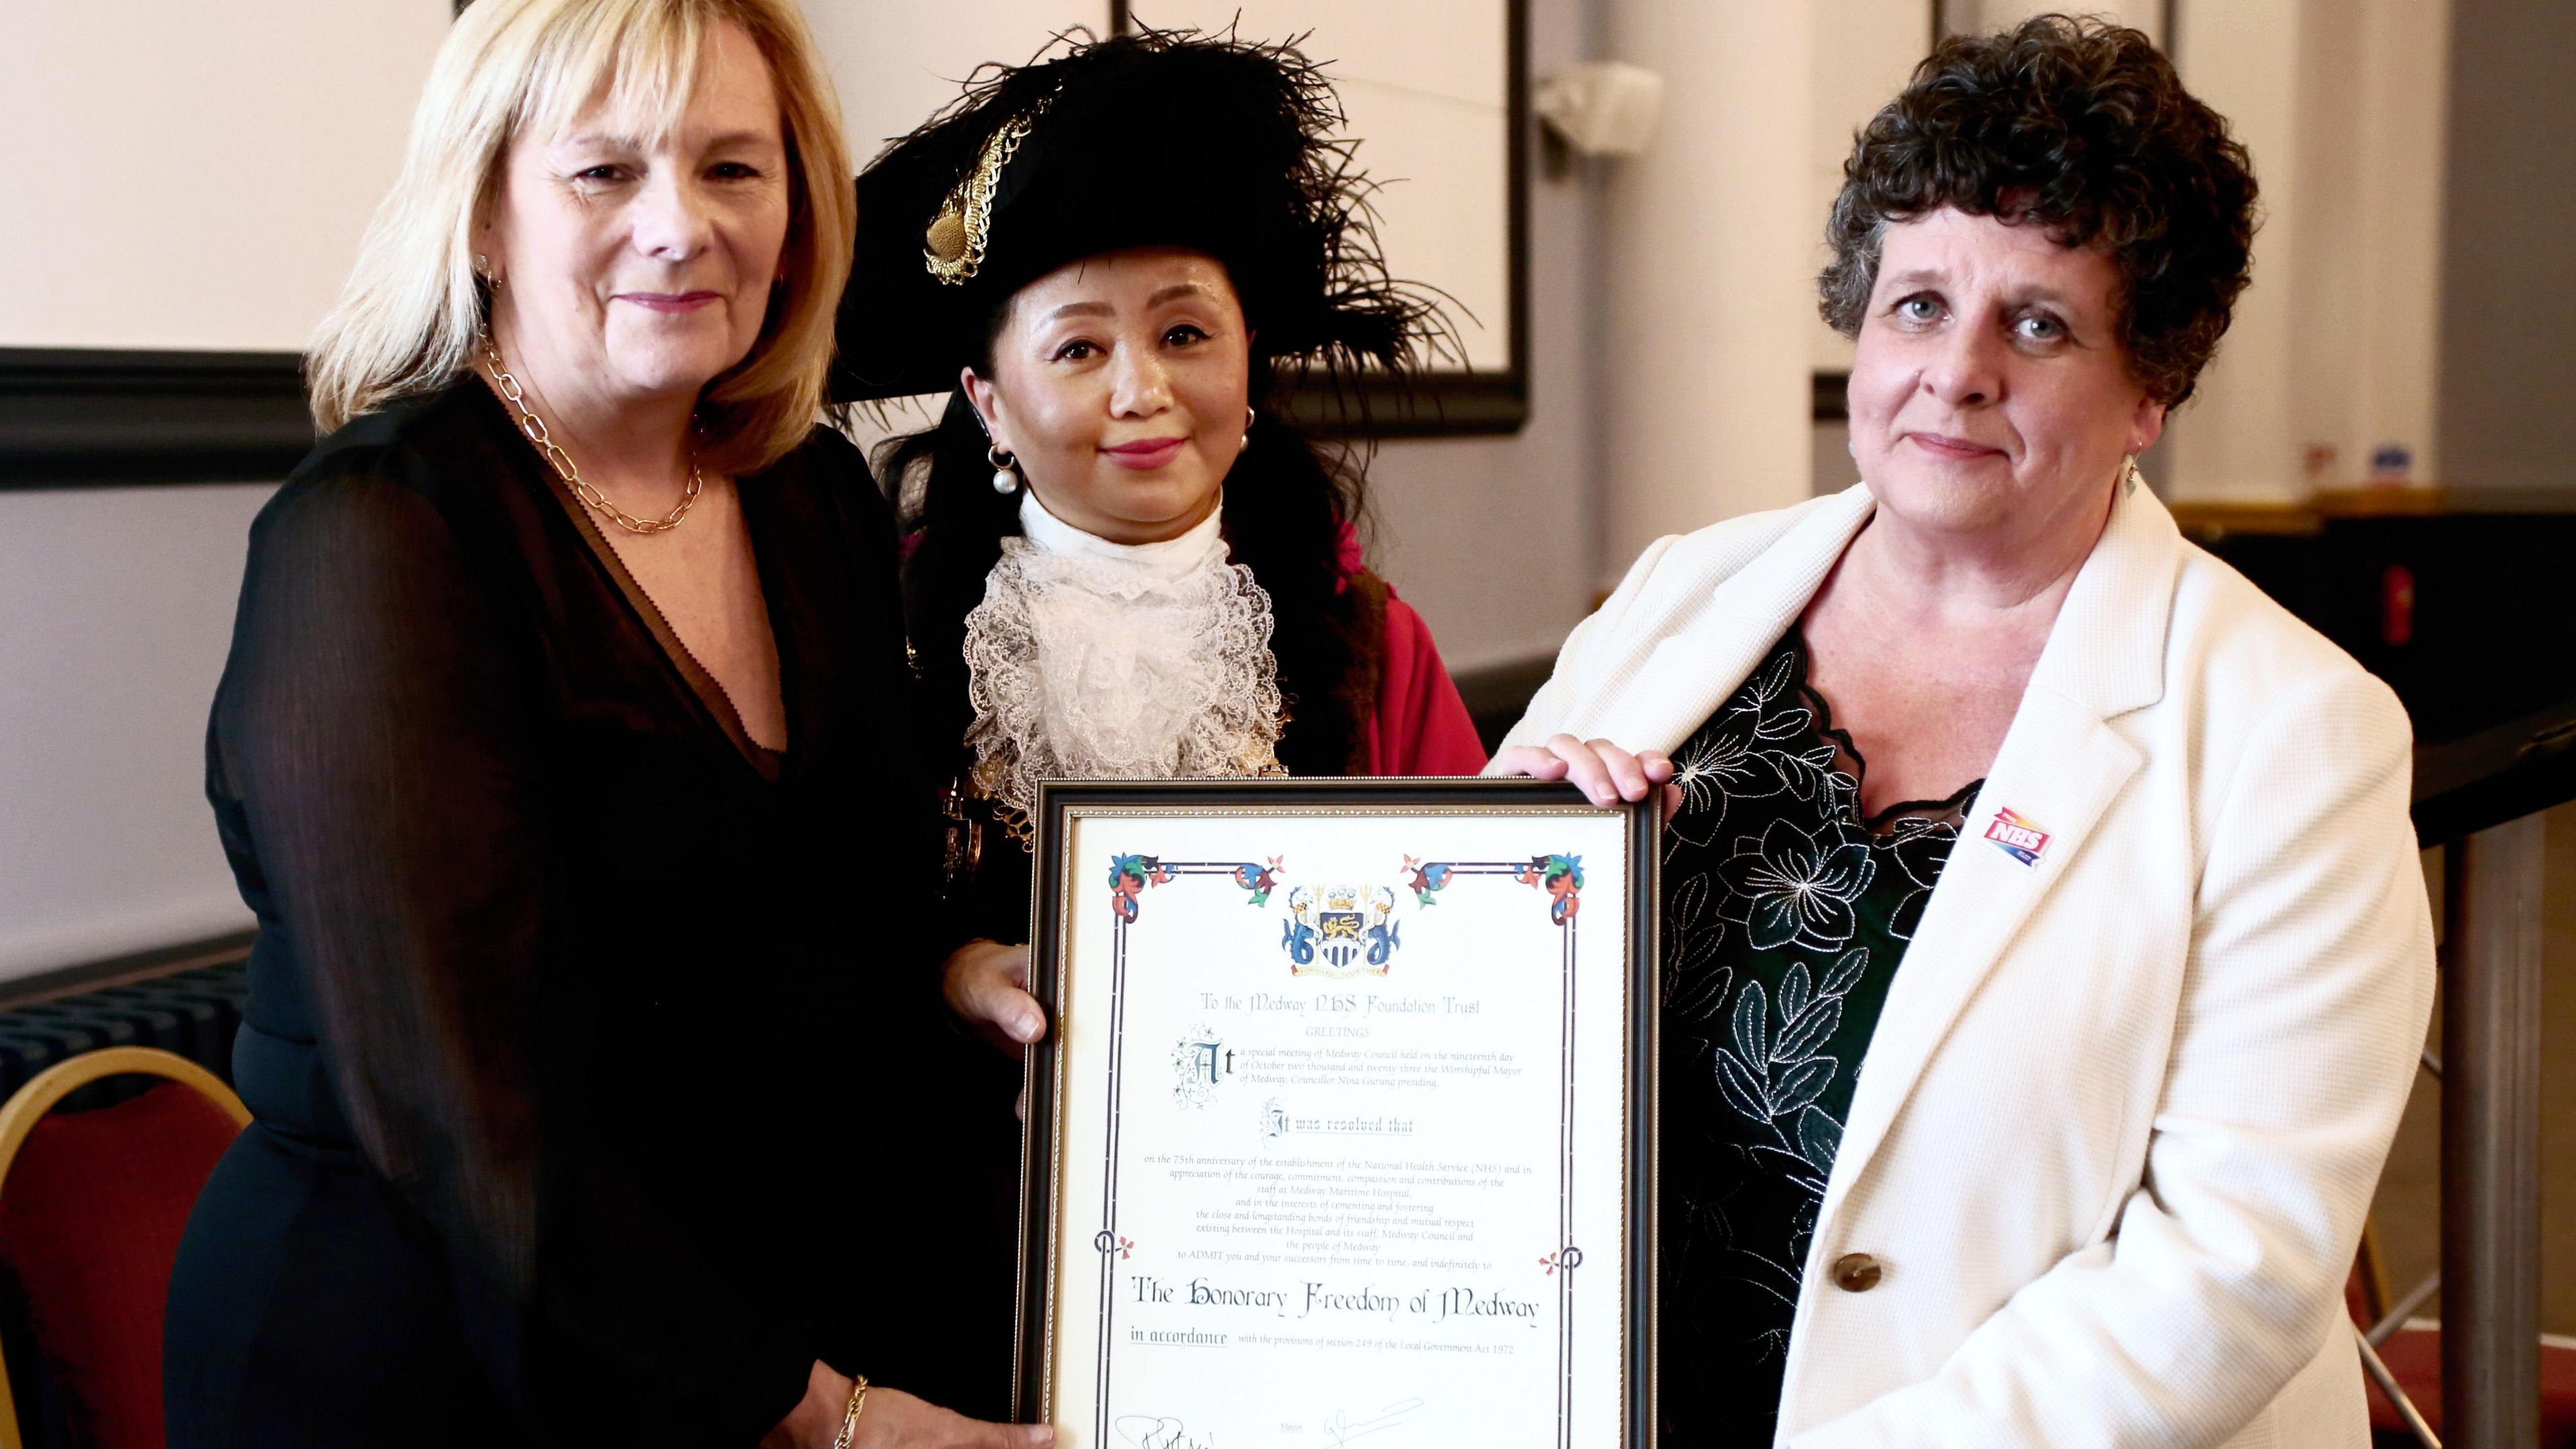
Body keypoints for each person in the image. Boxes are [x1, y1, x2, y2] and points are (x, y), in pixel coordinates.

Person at [1493, 17, 2434, 1448]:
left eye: (2040, 323)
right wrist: (1502, 864)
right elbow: (1489, 1030)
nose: (1958, 370)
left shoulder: (2295, 733)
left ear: (2152, 390)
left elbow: (2231, 1272)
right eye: (1919, 303)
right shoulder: (1683, 592)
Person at [163, 3, 1042, 1446]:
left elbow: (832, 910)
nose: (679, 226)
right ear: (487, 215)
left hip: (750, 1319)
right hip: (429, 1360)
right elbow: (464, 1117)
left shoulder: (807, 492)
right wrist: (827, 1415)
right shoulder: (380, 536)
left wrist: (956, 970)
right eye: (604, 173)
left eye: (733, 170)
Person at [828, 25, 1489, 1415]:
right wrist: (954, 977)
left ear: (1251, 369)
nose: (1142, 390)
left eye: (1185, 332)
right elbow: (804, 952)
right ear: (989, 400)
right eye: (1081, 346)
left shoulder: (1378, 652)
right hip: (942, 1268)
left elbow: (1476, 972)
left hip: (1305, 1275)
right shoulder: (871, 644)